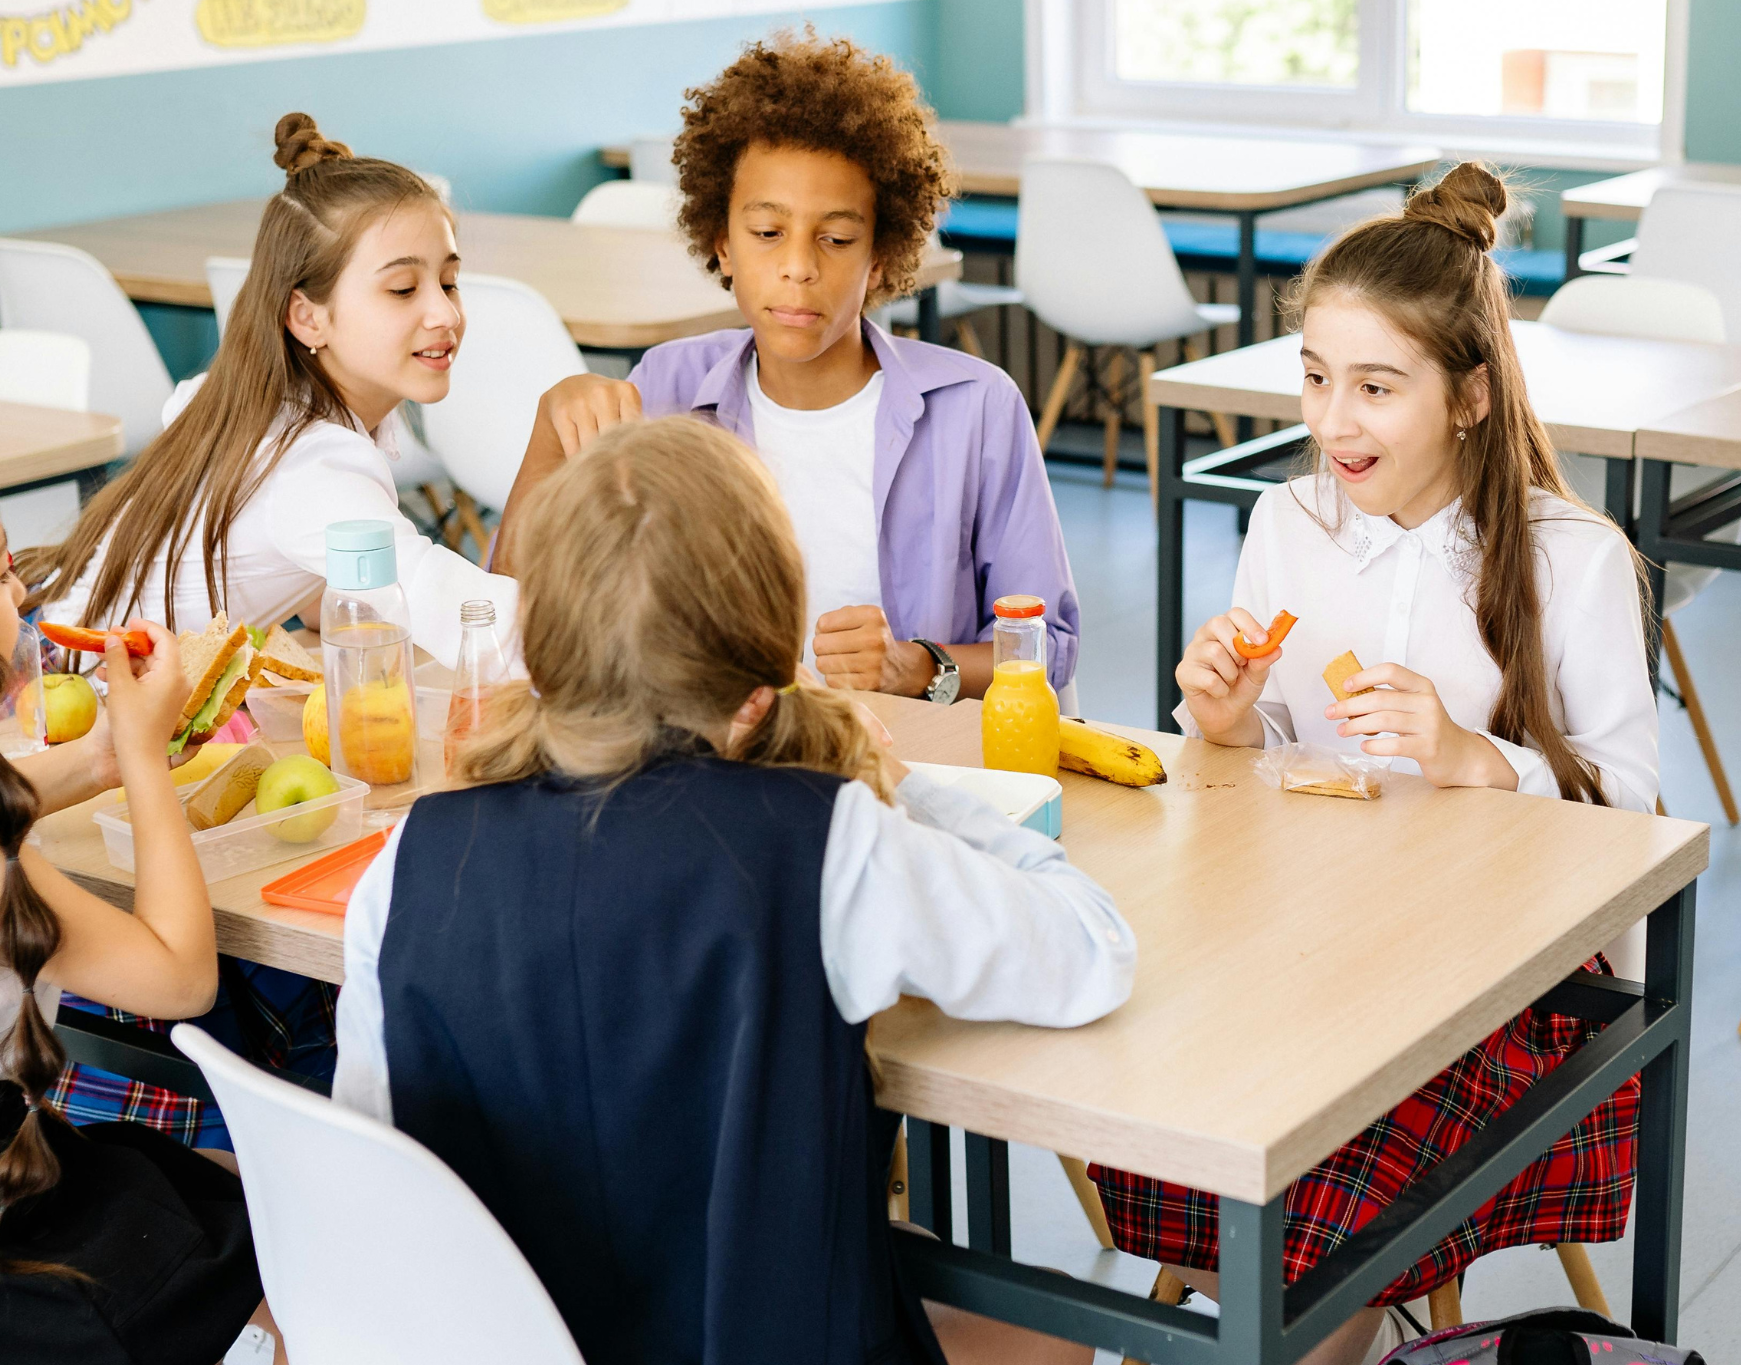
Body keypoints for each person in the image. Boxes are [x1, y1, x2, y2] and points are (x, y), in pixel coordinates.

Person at [333, 416, 1126, 1362]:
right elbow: (1091, 952)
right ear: (758, 695)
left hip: (511, 1341)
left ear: (537, 661)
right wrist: (907, 786)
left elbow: (380, 1182)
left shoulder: (407, 864)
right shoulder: (826, 842)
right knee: (1058, 1329)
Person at [1092, 164, 1658, 1364]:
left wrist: (1479, 759)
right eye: (1312, 377)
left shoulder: (1576, 560)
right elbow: (1267, 776)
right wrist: (1231, 725)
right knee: (1152, 1088)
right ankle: (1299, 1310)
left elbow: (1636, 819)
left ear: (1467, 397)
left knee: (1312, 1190)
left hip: (1498, 991)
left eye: (1374, 388)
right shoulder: (1284, 526)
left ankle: (1321, 1314)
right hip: (1308, 954)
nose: (1330, 422)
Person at [20, 111, 516, 1151]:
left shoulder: (235, 398)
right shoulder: (326, 468)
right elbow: (457, 615)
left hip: (64, 748)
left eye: (450, 279)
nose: (444, 313)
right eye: (401, 287)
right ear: (308, 318)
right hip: (118, 800)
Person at [496, 30, 1079, 706]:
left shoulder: (976, 407)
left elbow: (1051, 645)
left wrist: (918, 664)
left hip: (906, 762)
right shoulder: (664, 389)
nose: (799, 265)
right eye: (767, 233)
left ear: (881, 259)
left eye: (835, 239)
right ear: (722, 244)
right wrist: (548, 428)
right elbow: (518, 619)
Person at [0, 518, 284, 1363]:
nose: (22, 596)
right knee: (285, 1206)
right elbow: (180, 975)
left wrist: (99, 760)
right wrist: (145, 758)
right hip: (34, 1269)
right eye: (1, 574)